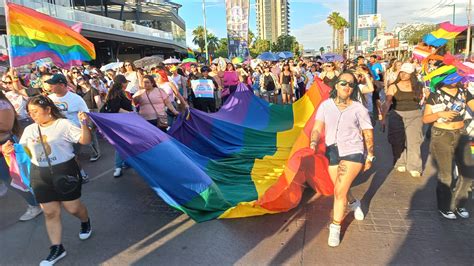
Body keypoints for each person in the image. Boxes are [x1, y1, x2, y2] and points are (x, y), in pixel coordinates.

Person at [2, 95, 93, 265]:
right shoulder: (29, 130)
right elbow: (25, 154)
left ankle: (85, 221)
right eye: (30, 112)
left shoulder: (63, 125)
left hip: (65, 171)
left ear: (48, 110)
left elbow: (84, 140)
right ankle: (57, 248)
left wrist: (84, 124)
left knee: (72, 208)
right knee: (50, 212)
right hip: (40, 174)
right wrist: (9, 152)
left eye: (35, 111)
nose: (32, 115)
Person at [310, 72, 374, 247]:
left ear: (353, 89)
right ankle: (354, 202)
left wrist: (370, 155)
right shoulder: (325, 106)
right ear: (336, 85)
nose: (347, 86)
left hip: (353, 151)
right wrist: (313, 141)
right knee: (340, 188)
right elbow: (317, 127)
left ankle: (335, 226)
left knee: (338, 192)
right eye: (343, 83)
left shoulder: (359, 109)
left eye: (351, 84)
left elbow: (368, 132)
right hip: (332, 151)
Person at [422, 81, 474, 220]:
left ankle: (459, 203)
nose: (456, 80)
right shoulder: (435, 94)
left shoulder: (464, 92)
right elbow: (426, 119)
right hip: (441, 135)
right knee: (446, 175)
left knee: (468, 172)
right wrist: (440, 114)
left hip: (461, 133)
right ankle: (445, 207)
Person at [0, 90, 43, 221]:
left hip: (5, 147)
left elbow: (6, 126)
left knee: (14, 180)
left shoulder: (3, 105)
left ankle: (35, 204)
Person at [46, 74, 90, 182]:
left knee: (71, 156)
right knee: (62, 156)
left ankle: (82, 175)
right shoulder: (49, 99)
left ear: (61, 84)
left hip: (73, 133)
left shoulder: (76, 99)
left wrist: (85, 127)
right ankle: (69, 176)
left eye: (53, 84)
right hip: (56, 134)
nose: (50, 86)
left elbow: (86, 115)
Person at [383, 63, 424, 177]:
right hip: (397, 115)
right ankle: (400, 161)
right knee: (397, 141)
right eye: (402, 72)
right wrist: (383, 118)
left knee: (414, 142)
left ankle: (414, 166)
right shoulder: (393, 86)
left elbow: (421, 99)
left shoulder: (418, 86)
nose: (403, 74)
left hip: (415, 115)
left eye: (406, 73)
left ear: (412, 74)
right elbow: (387, 103)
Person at [100, 75, 134, 178]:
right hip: (122, 122)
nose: (127, 84)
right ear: (122, 83)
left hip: (120, 122)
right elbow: (116, 108)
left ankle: (125, 163)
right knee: (121, 144)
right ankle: (118, 166)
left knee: (125, 143)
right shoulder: (117, 93)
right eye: (126, 82)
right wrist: (130, 114)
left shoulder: (114, 92)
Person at [77, 75, 102, 162]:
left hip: (92, 113)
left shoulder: (93, 90)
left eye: (80, 78)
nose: (78, 80)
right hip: (83, 114)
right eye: (77, 79)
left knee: (91, 133)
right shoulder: (79, 92)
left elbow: (98, 103)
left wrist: (99, 116)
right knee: (86, 133)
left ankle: (96, 153)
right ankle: (94, 152)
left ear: (85, 79)